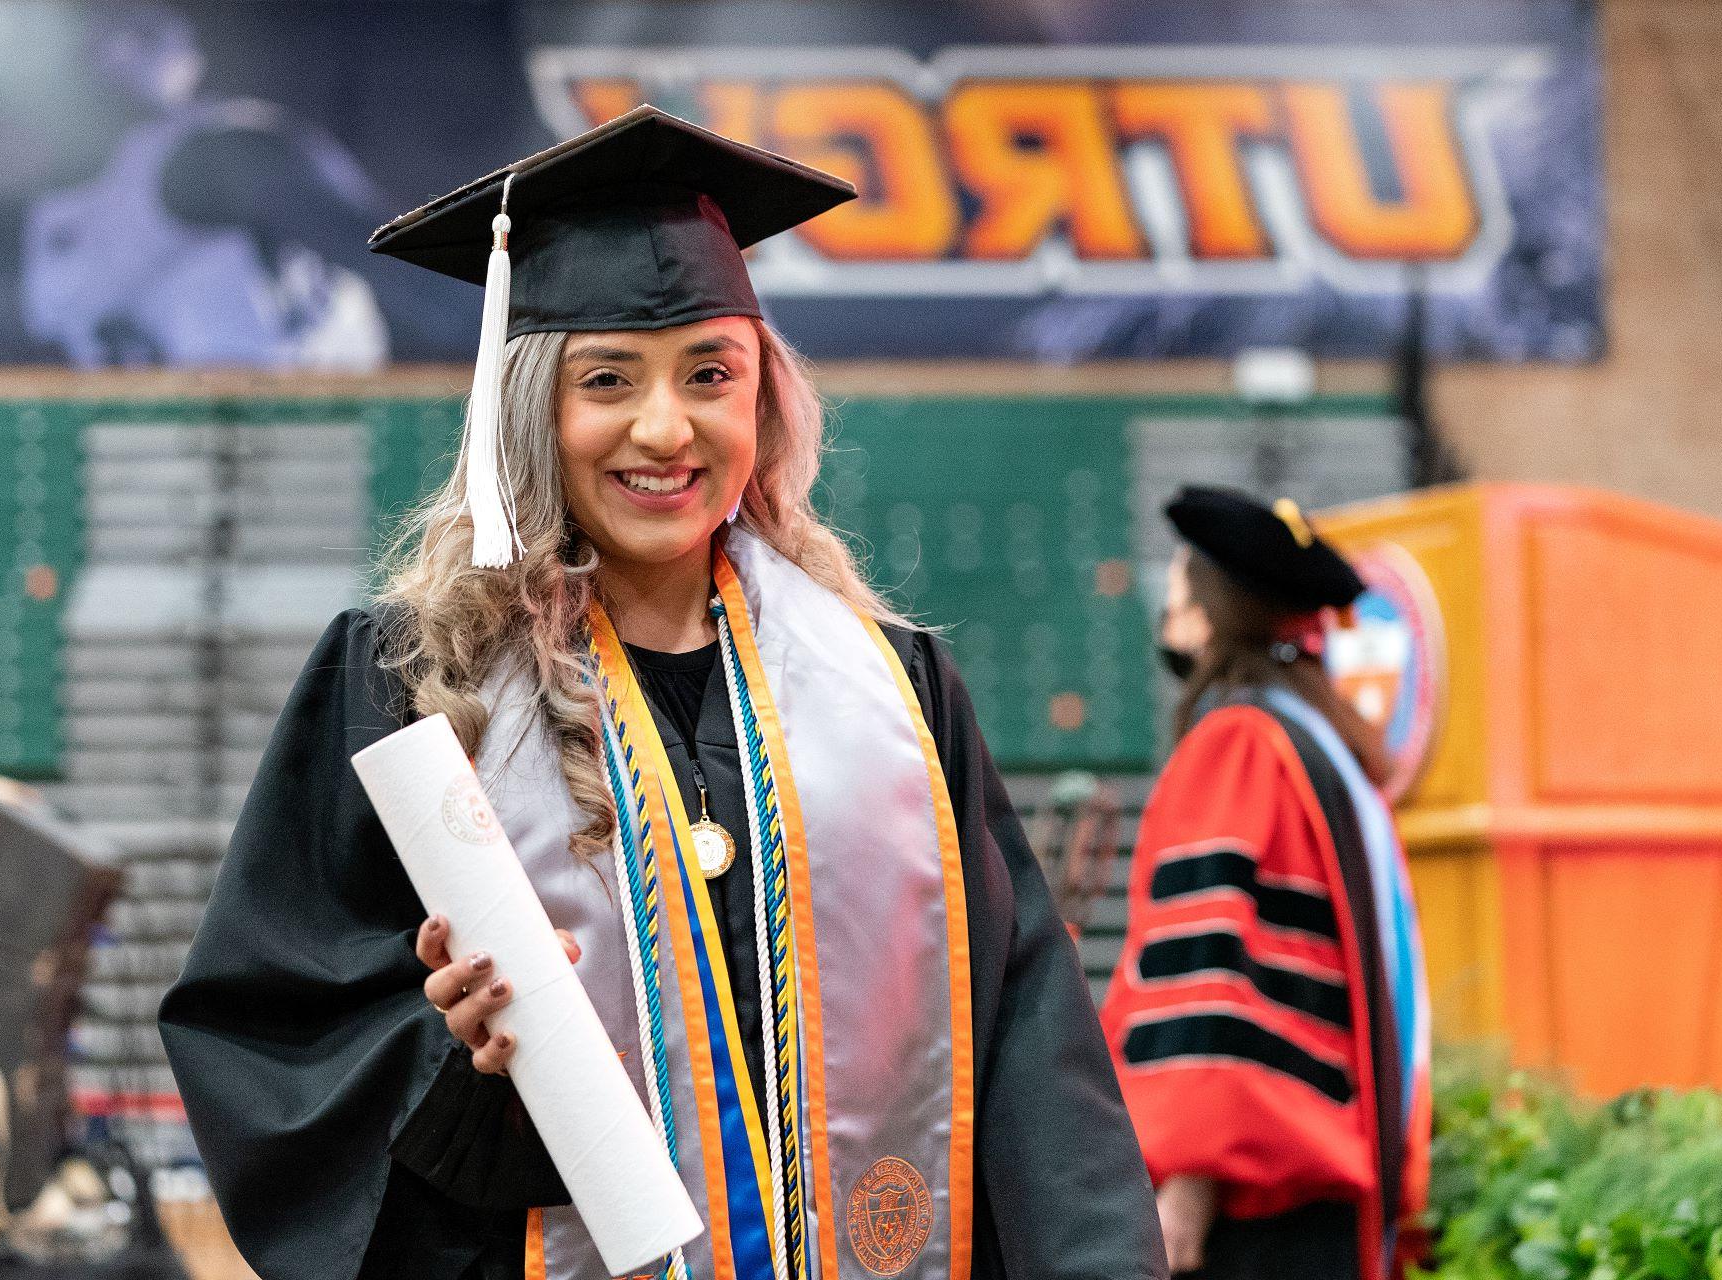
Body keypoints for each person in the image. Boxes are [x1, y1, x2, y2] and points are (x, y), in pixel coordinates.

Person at [159, 106, 1166, 1280]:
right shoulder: (409, 684)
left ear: (764, 400)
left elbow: (1023, 1040)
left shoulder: (892, 687)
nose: (663, 425)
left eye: (709, 374)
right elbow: (266, 1036)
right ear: (530, 408)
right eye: (607, 379)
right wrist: (447, 1053)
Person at [1099, 486, 1431, 1280]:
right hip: (1323, 1185)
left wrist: (1185, 1180)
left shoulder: (1239, 746)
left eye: (1179, 584)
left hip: (1248, 1209)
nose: (1168, 607)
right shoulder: (1324, 747)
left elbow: (1216, 979)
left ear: (1215, 610)